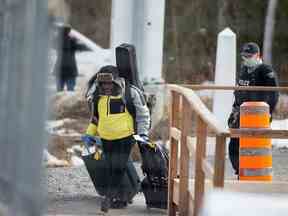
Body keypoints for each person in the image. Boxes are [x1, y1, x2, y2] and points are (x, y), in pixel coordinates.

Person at [82, 65, 151, 212]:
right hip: (106, 138)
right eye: (103, 84)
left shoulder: (130, 93)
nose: (106, 87)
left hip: (125, 137)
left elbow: (142, 115)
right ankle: (122, 197)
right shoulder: (97, 96)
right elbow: (95, 118)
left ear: (117, 81)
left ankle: (109, 197)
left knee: (118, 168)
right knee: (112, 167)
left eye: (109, 83)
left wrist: (143, 134)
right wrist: (89, 134)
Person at [228, 42, 279, 175]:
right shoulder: (244, 69)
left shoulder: (266, 71)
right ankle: (239, 171)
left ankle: (253, 173)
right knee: (234, 144)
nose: (247, 58)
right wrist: (234, 110)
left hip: (257, 116)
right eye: (244, 56)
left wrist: (268, 112)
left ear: (258, 55)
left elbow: (274, 94)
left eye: (250, 56)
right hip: (240, 113)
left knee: (253, 146)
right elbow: (238, 91)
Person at [53, 23, 86, 91]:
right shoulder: (72, 41)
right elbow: (83, 47)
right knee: (70, 92)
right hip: (71, 70)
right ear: (69, 31)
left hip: (60, 69)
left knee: (59, 92)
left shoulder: (57, 41)